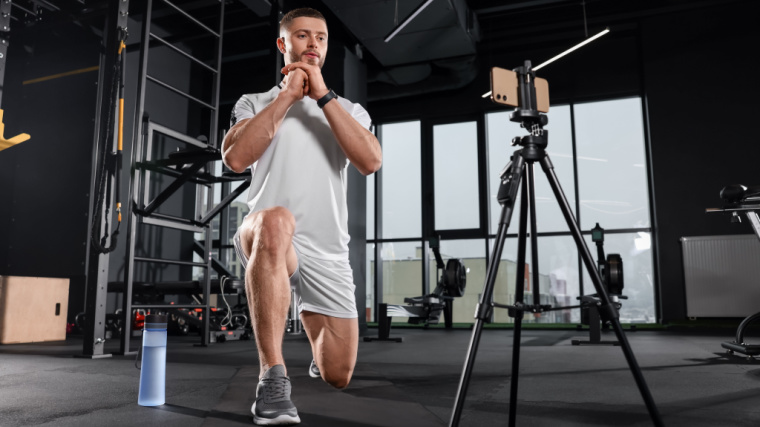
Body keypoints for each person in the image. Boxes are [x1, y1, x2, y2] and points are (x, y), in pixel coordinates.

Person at [221, 7, 382, 426]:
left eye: (321, 37)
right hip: (267, 233)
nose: (313, 43)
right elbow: (236, 157)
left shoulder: (349, 109)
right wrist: (289, 96)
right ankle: (272, 380)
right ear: (284, 44)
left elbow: (370, 161)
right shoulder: (253, 103)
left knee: (338, 374)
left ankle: (309, 327)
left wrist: (321, 96)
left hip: (326, 249)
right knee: (275, 220)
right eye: (303, 35)